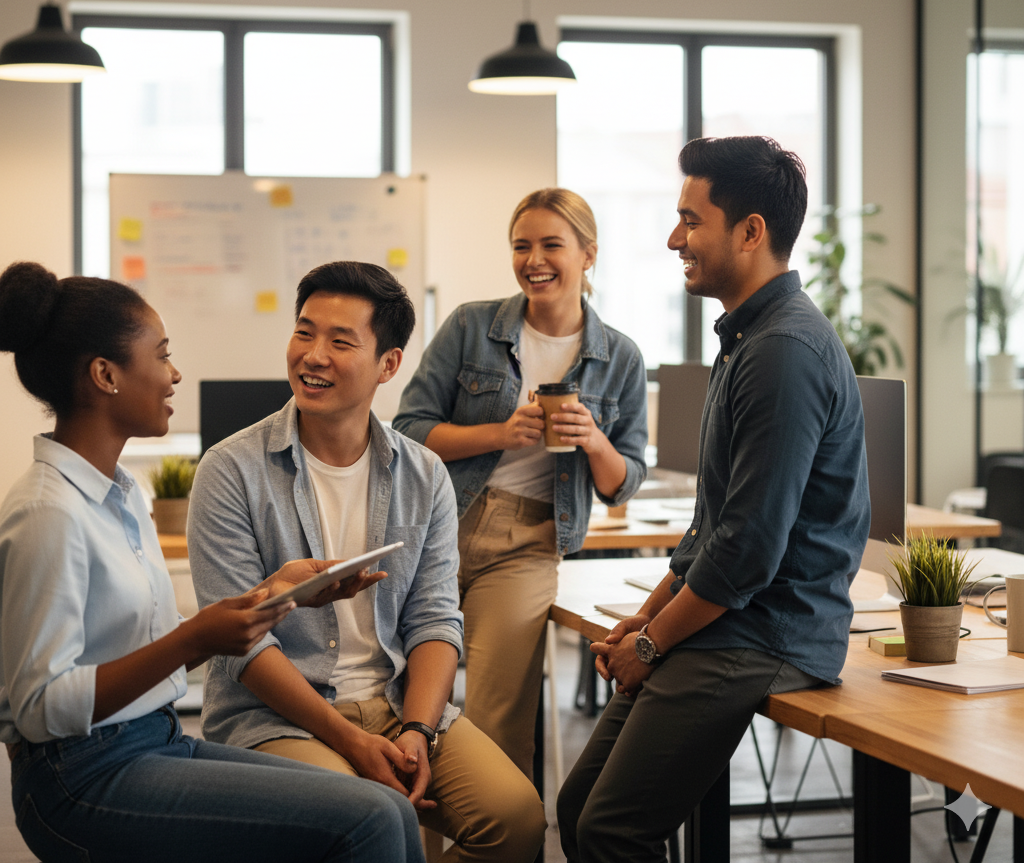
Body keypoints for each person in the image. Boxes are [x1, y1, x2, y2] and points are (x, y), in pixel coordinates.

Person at [0, 261, 426, 863]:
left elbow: (125, 645)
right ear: (105, 375)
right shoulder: (49, 513)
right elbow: (42, 709)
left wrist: (275, 594)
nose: (175, 375)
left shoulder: (117, 494)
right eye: (162, 355)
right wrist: (195, 641)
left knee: (388, 812)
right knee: (367, 821)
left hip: (154, 738)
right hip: (80, 776)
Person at [556, 136, 872, 863]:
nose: (675, 239)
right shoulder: (748, 339)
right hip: (732, 619)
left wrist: (651, 641)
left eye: (691, 221)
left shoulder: (783, 351)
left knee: (609, 829)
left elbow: (748, 552)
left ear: (751, 231)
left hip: (768, 631)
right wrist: (650, 611)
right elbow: (716, 527)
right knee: (580, 810)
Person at [187, 260, 545, 863]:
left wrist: (416, 731)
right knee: (369, 821)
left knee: (517, 820)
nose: (313, 355)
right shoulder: (230, 470)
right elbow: (243, 646)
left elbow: (434, 619)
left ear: (388, 365)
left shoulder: (423, 472)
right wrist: (352, 741)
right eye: (304, 332)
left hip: (398, 702)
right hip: (279, 717)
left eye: (339, 340)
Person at [393, 188, 648, 777]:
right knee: (406, 708)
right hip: (439, 524)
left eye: (551, 245)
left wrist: (593, 439)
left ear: (588, 255)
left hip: (528, 545)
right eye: (521, 246)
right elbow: (410, 428)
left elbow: (622, 484)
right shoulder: (471, 326)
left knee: (495, 723)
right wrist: (500, 434)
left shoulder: (622, 359)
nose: (534, 259)